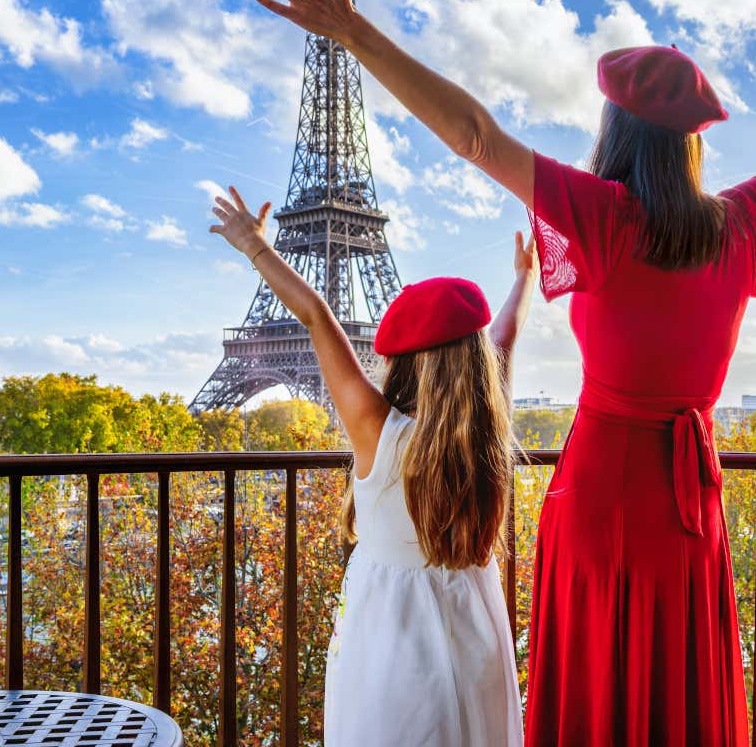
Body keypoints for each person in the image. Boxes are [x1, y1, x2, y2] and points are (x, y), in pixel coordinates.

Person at [248, 0, 756, 742]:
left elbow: (475, 136)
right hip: (688, 509)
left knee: (598, 689)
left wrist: (353, 30)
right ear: (690, 142)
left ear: (615, 129)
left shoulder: (602, 215)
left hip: (598, 495)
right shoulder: (738, 222)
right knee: (678, 688)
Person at [209, 186, 536, 746]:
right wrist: (524, 278)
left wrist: (255, 248)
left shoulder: (379, 431)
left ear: (407, 362)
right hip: (474, 620)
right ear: (479, 362)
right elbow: (503, 336)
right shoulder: (486, 435)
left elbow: (318, 317)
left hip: (392, 628)